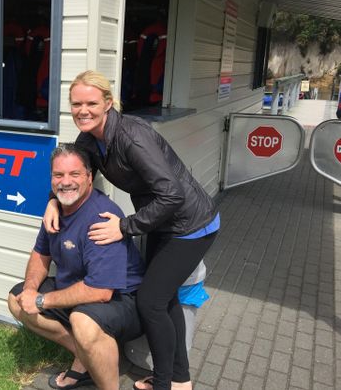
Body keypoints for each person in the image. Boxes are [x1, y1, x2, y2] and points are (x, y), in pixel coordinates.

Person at [43, 70, 220, 390]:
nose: (83, 110)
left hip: (191, 225)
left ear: (108, 103)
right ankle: (179, 380)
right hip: (161, 222)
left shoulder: (131, 136)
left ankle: (165, 383)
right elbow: (74, 177)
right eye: (76, 104)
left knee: (151, 301)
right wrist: (52, 202)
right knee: (165, 300)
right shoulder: (89, 140)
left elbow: (172, 194)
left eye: (91, 103)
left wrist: (125, 227)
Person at [8, 143, 145, 390]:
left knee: (84, 321)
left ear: (89, 177)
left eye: (74, 174)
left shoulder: (101, 217)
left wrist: (40, 301)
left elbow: (100, 292)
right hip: (78, 289)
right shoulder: (56, 209)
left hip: (124, 299)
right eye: (58, 175)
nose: (66, 181)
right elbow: (41, 254)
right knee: (16, 299)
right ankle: (87, 356)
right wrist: (30, 290)